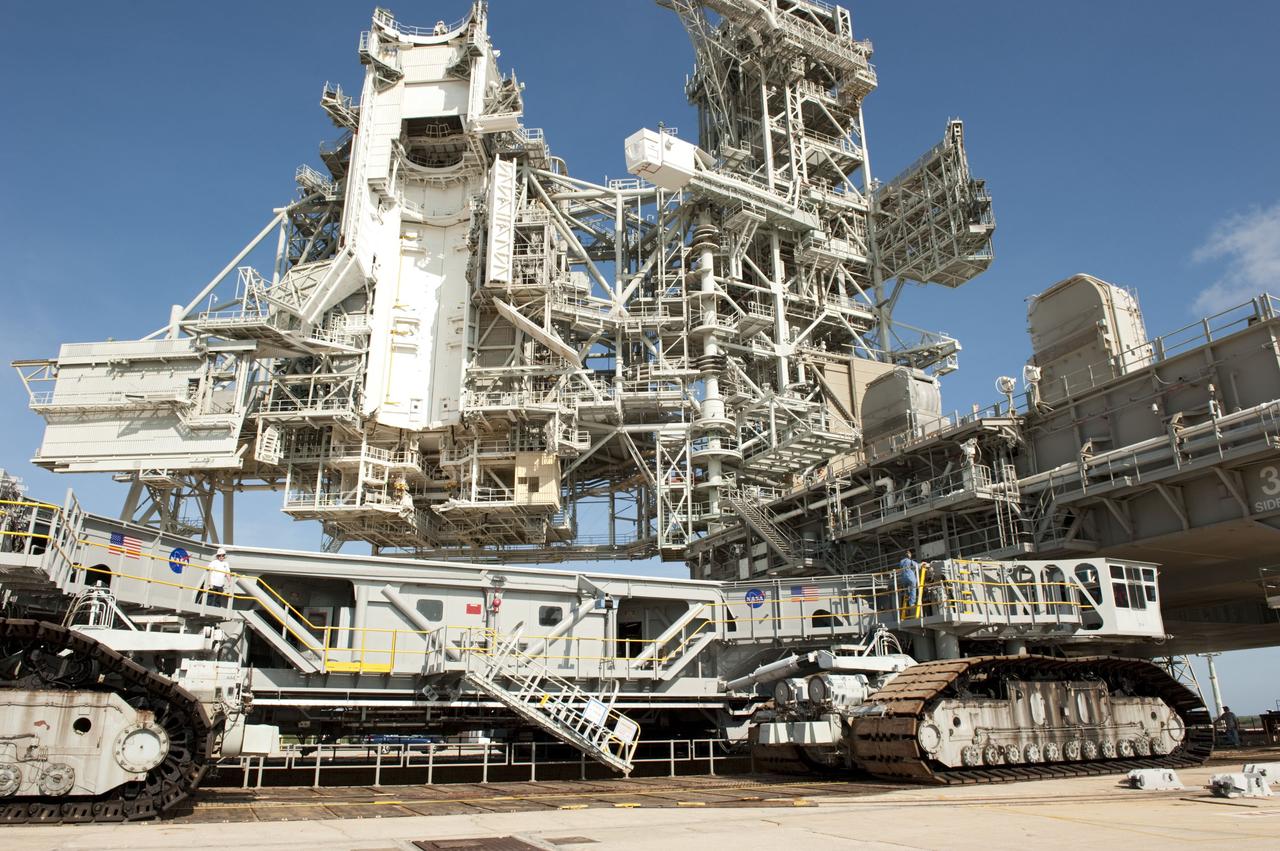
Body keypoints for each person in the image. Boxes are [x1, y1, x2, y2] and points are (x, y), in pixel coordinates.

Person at [898, 549, 921, 616]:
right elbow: (917, 566)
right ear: (909, 555)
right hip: (910, 578)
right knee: (913, 588)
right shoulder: (910, 561)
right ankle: (912, 603)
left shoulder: (901, 561)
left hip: (903, 579)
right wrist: (923, 563)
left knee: (906, 590)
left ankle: (907, 597)